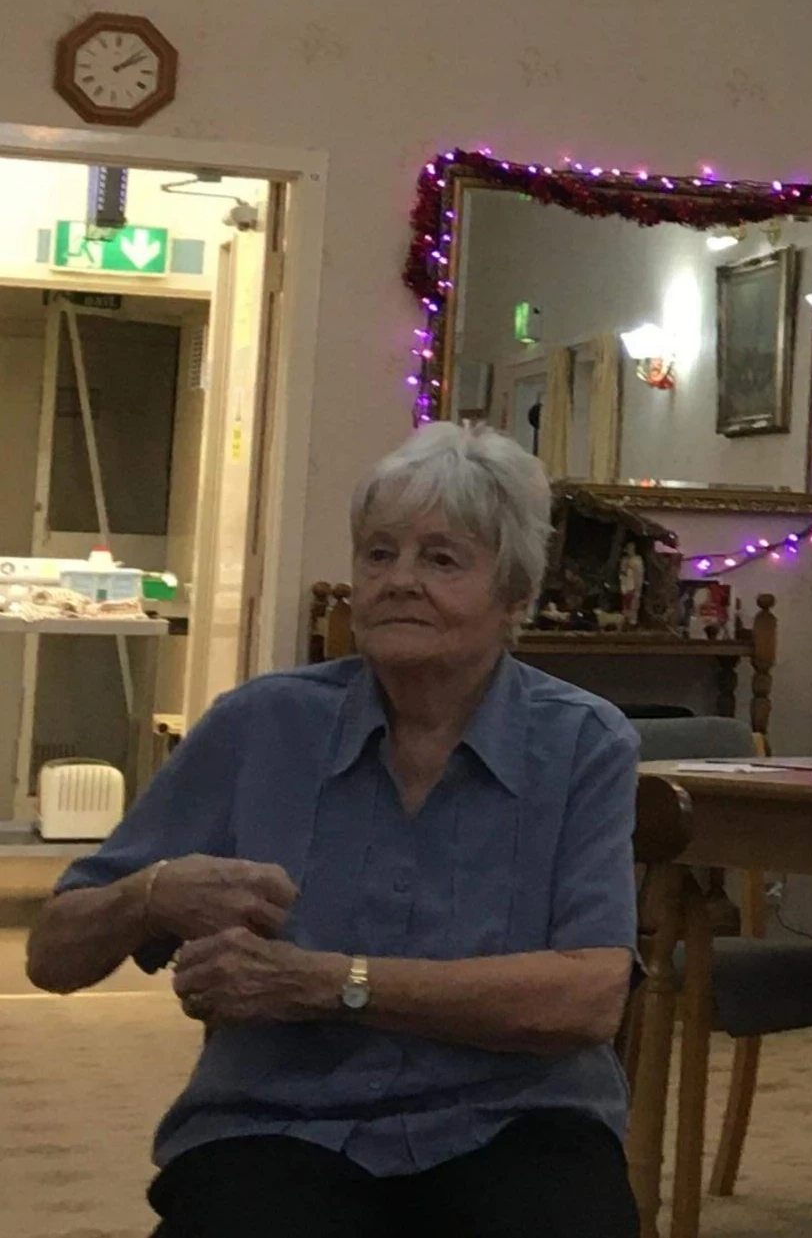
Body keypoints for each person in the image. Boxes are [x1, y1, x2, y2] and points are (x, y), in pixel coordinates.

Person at [22, 423, 641, 1238]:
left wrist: (326, 983)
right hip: (277, 1123)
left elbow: (590, 997)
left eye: (442, 559)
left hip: (512, 1119)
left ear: (517, 597)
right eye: (378, 555)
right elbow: (52, 955)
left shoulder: (582, 743)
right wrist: (152, 893)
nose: (398, 582)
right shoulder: (261, 725)